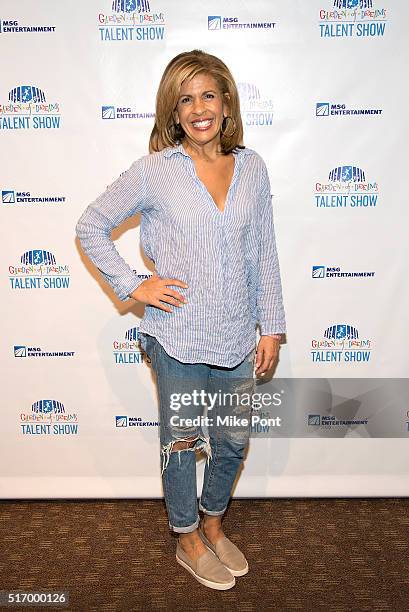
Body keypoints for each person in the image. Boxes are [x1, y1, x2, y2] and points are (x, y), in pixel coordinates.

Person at [76, 49, 286, 590]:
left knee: (234, 440)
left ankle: (214, 522)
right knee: (181, 440)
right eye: (185, 99)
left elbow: (264, 249)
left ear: (226, 102)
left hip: (239, 334)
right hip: (177, 336)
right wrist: (133, 285)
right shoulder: (154, 171)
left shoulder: (253, 167)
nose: (198, 108)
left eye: (208, 95)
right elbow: (92, 224)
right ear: (173, 112)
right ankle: (187, 535)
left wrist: (272, 325)